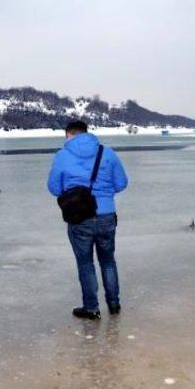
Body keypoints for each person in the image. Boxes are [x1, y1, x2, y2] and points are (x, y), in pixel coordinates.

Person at [47, 120, 128, 319]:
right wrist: (104, 194)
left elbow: (54, 189)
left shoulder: (62, 155)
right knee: (108, 261)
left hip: (79, 218)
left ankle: (91, 308)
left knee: (85, 264)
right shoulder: (107, 153)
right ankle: (114, 303)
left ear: (69, 134)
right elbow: (121, 183)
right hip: (107, 216)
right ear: (86, 133)